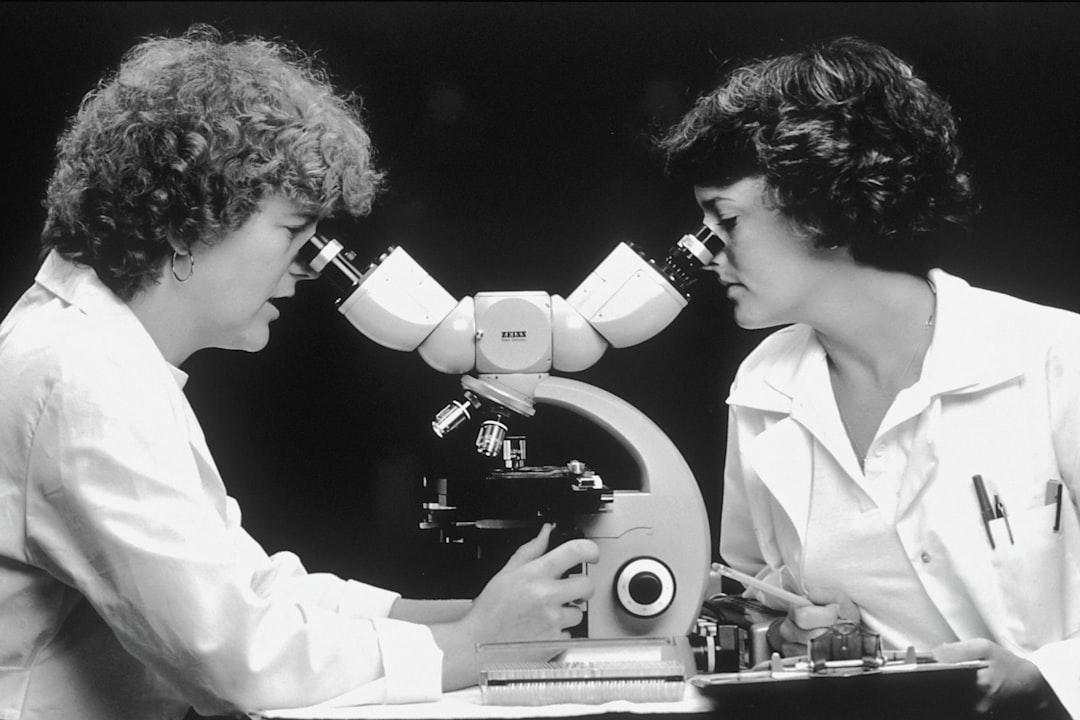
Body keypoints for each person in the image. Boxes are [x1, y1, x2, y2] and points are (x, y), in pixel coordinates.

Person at [0, 25, 598, 720]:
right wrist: (470, 647)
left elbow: (246, 587)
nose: (305, 268)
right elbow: (235, 656)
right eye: (292, 232)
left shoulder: (99, 355)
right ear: (189, 223)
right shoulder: (79, 378)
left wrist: (462, 619)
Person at [658, 37, 1077, 718]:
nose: (704, 253)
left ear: (819, 206)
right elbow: (748, 595)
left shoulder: (1055, 356)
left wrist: (1039, 678)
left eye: (723, 220)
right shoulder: (763, 387)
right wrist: (784, 632)